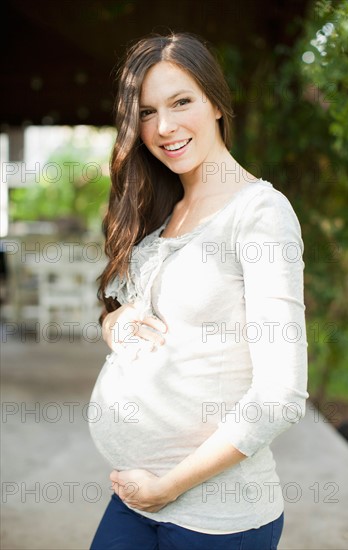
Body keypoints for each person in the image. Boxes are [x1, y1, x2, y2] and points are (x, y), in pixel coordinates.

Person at [89, 31, 309, 550]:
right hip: (137, 495)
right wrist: (114, 323)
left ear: (215, 102)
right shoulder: (164, 206)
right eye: (146, 112)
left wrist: (167, 489)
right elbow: (129, 312)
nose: (163, 127)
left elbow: (281, 396)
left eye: (181, 101)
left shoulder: (260, 214)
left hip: (214, 516)